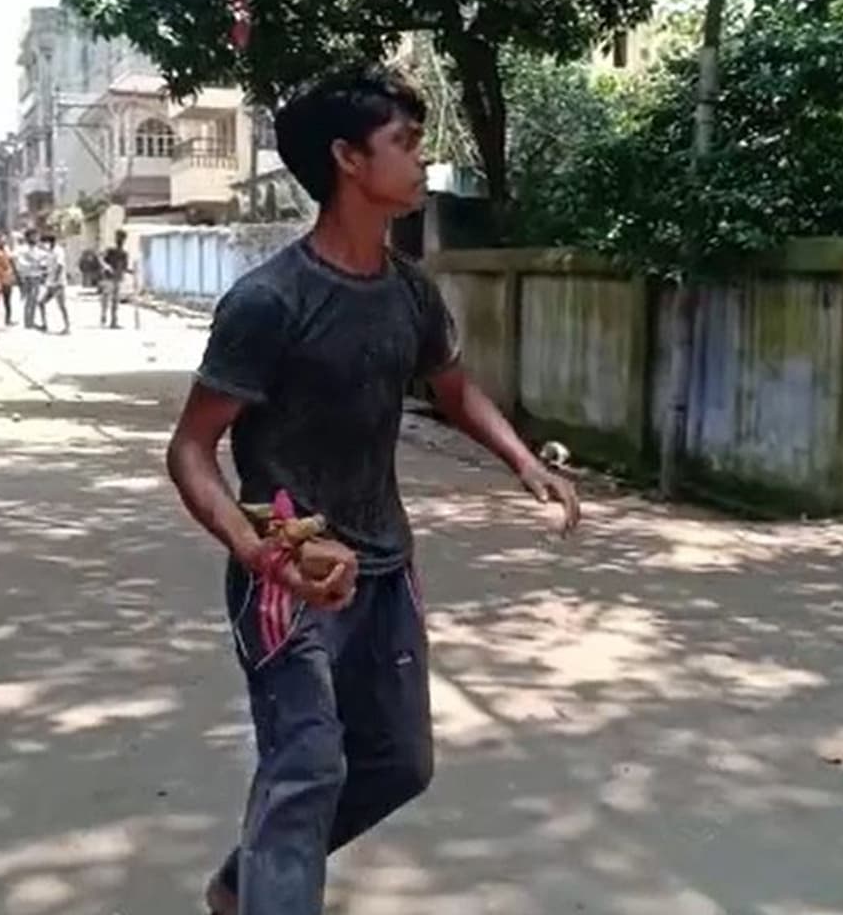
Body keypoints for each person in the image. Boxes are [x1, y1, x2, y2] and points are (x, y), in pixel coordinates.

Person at [165, 68, 580, 915]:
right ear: (348, 159)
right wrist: (256, 553)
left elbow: (452, 388)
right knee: (307, 766)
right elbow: (191, 449)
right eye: (406, 142)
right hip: (289, 575)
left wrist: (523, 461)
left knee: (399, 764)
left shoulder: (410, 292)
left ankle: (246, 882)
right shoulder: (269, 301)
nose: (422, 159)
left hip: (386, 571)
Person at [39, 233, 70, 334]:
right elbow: (47, 266)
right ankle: (44, 324)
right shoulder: (49, 252)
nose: (43, 245)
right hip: (50, 284)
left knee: (62, 306)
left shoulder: (58, 251)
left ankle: (67, 327)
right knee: (41, 302)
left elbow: (60, 266)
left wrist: (56, 278)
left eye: (44, 242)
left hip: (58, 284)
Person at [12, 230, 43, 329]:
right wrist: (22, 271)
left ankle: (31, 320)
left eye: (37, 236)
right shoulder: (22, 249)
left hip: (37, 276)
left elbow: (42, 261)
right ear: (28, 237)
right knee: (30, 299)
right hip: (28, 277)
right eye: (34, 236)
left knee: (34, 299)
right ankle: (28, 322)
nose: (36, 238)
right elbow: (15, 260)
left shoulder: (37, 249)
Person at [100, 230, 127, 329]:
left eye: (122, 238)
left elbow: (124, 267)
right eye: (119, 237)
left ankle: (113, 321)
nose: (120, 240)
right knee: (106, 298)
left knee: (115, 301)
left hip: (117, 279)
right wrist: (107, 267)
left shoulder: (124, 253)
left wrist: (129, 272)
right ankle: (104, 315)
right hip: (108, 278)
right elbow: (102, 260)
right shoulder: (111, 250)